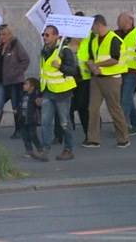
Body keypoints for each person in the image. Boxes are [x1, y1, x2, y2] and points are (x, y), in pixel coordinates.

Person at [84, 14, 131, 149]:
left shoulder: (114, 39)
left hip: (112, 79)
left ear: (98, 25)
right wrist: (92, 66)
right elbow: (90, 58)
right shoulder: (94, 40)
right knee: (92, 109)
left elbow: (115, 59)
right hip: (96, 79)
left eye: (92, 27)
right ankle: (93, 139)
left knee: (114, 109)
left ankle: (123, 139)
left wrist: (97, 65)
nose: (91, 30)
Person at [39, 25, 77, 161]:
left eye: (47, 35)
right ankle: (45, 149)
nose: (44, 37)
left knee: (64, 122)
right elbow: (43, 72)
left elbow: (73, 71)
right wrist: (40, 92)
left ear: (56, 36)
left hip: (62, 92)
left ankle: (68, 149)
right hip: (48, 91)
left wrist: (60, 66)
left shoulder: (65, 51)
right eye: (44, 34)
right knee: (45, 121)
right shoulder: (44, 50)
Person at [0, 24, 30, 139]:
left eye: (4, 34)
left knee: (16, 106)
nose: (2, 37)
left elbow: (25, 60)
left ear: (10, 34)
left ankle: (19, 130)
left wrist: (16, 72)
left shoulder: (16, 45)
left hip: (15, 81)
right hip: (1, 81)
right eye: (0, 34)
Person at [68, 12, 91, 142]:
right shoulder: (68, 39)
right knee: (71, 106)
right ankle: (65, 136)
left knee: (83, 107)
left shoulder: (89, 39)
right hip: (72, 77)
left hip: (86, 78)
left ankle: (89, 134)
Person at [19, 77, 47, 162]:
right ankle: (29, 150)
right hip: (23, 118)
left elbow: (39, 105)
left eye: (26, 84)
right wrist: (17, 110)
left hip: (32, 119)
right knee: (25, 136)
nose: (24, 86)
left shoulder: (35, 95)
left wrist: (39, 102)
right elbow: (20, 104)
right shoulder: (23, 94)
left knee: (32, 134)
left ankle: (39, 149)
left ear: (32, 87)